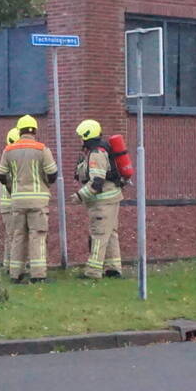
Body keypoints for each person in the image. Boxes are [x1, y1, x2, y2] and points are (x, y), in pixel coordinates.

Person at [0, 115, 58, 284]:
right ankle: (38, 275)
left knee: (18, 236)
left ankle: (16, 273)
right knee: (37, 236)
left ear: (20, 130)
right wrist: (45, 183)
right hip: (38, 201)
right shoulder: (42, 149)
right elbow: (52, 173)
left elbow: (1, 175)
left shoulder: (8, 151)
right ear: (35, 130)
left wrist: (12, 187)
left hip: (17, 200)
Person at [71, 119, 124, 279]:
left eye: (81, 137)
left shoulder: (96, 154)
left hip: (102, 202)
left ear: (87, 136)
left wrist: (79, 196)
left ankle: (93, 272)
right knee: (111, 234)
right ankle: (113, 269)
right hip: (111, 198)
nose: (80, 140)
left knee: (99, 234)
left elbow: (96, 183)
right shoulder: (100, 151)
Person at [0, 127, 20, 273]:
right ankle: (13, 266)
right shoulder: (11, 160)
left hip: (7, 206)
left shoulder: (6, 157)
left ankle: (7, 265)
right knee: (14, 237)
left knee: (10, 236)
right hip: (11, 205)